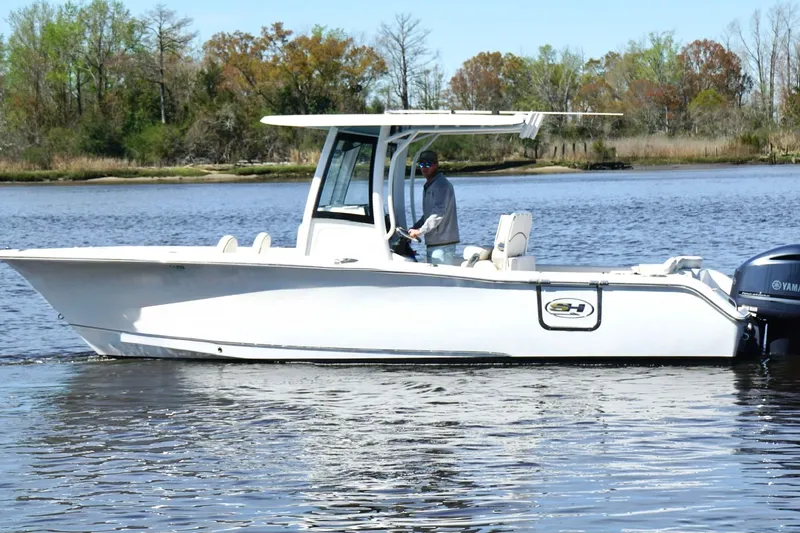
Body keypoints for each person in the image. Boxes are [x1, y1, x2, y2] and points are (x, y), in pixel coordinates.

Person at [408, 150, 459, 264]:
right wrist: (414, 228)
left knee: (442, 281)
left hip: (443, 245)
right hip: (433, 244)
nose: (424, 168)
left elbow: (438, 214)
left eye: (428, 164)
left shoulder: (441, 185)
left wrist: (420, 231)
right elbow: (428, 215)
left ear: (436, 165)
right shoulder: (430, 185)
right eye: (421, 164)